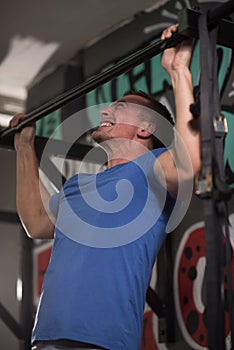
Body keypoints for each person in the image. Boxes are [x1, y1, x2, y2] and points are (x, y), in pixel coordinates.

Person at [9, 24, 200, 350]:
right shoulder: (77, 185)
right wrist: (24, 147)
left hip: (103, 341)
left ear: (145, 128)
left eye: (121, 106)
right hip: (46, 339)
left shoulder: (150, 168)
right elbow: (36, 221)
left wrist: (178, 70)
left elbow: (189, 164)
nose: (107, 110)